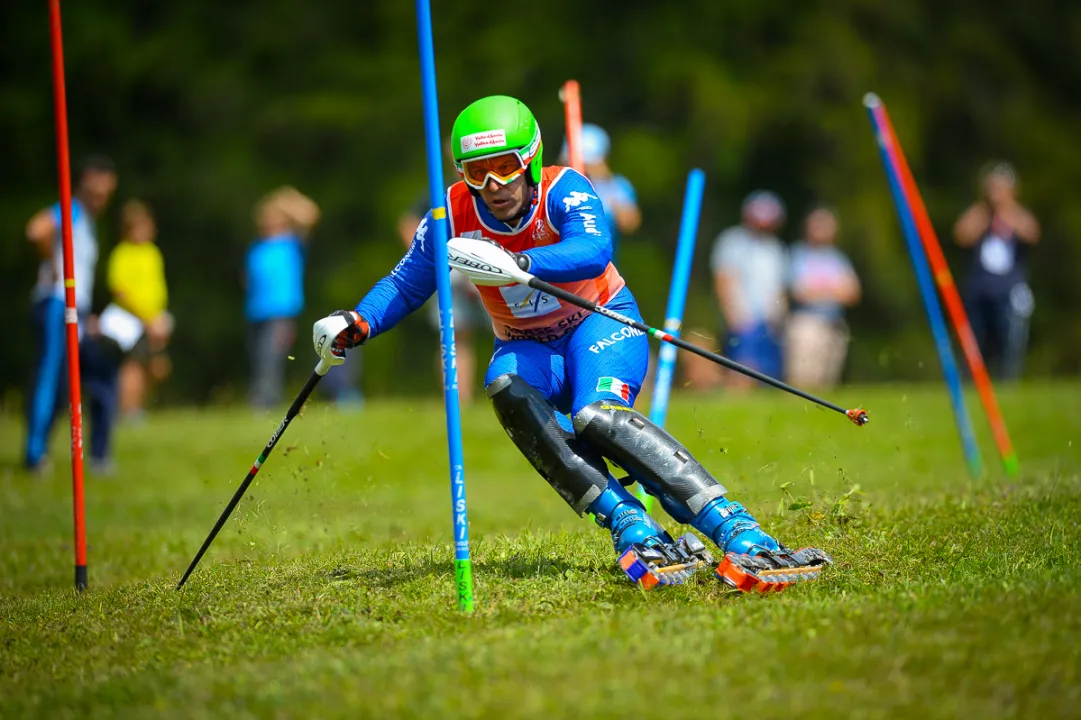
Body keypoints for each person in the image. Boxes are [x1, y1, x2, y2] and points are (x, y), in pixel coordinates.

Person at [313, 96, 829, 590]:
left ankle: (738, 530)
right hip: (529, 346)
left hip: (599, 324)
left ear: (532, 161)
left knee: (596, 416)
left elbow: (593, 248)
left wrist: (520, 264)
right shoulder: (450, 217)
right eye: (477, 172)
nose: (493, 185)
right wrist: (358, 321)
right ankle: (630, 525)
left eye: (506, 167)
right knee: (504, 386)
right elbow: (405, 284)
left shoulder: (566, 188)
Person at [23, 155, 117, 473]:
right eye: (101, 191)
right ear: (88, 178)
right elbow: (37, 230)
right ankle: (35, 453)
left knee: (66, 381)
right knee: (51, 375)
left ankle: (44, 450)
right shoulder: (71, 209)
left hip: (75, 308)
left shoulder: (86, 221)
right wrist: (52, 264)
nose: (104, 199)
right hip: (57, 304)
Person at [397, 181, 488, 406]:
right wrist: (425, 260)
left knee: (512, 330)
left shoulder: (492, 185)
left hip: (492, 268)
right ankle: (459, 399)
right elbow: (407, 223)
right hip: (452, 274)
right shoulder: (443, 190)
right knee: (456, 337)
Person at [953, 162, 1039, 379]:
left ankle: (1008, 384)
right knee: (974, 346)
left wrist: (1007, 212)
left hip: (1009, 293)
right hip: (979, 291)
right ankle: (973, 383)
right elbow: (961, 235)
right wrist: (985, 214)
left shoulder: (1016, 214)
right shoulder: (980, 213)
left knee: (1010, 346)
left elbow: (1032, 233)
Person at [244, 186, 319, 410]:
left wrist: (286, 199)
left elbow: (310, 215)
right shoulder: (257, 246)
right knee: (256, 359)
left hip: (281, 313)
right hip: (256, 311)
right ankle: (261, 402)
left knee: (271, 358)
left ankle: (264, 404)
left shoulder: (292, 242)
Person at [710, 191, 788, 390]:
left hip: (769, 322)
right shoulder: (732, 241)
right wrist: (733, 314)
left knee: (769, 374)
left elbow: (780, 287)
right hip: (742, 319)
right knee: (743, 369)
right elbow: (723, 279)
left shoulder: (775, 248)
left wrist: (780, 316)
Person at [107, 200, 174, 421]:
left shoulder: (152, 253)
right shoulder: (122, 254)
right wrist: (144, 317)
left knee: (156, 367)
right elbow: (119, 290)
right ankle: (128, 410)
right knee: (133, 366)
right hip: (132, 321)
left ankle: (140, 407)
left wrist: (159, 317)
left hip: (155, 319)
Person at [784, 207, 861, 388]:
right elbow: (799, 293)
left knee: (828, 380)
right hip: (806, 323)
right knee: (801, 377)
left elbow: (853, 293)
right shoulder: (797, 255)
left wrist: (818, 291)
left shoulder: (838, 258)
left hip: (835, 324)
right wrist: (834, 291)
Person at [562, 123, 640, 263]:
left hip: (602, 275)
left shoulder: (616, 186)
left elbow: (629, 223)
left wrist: (604, 182)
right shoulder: (559, 186)